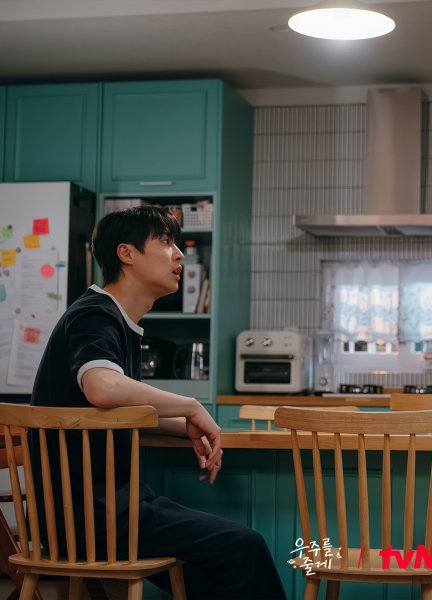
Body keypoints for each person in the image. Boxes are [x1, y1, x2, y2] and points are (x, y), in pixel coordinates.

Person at [29, 205, 286, 599]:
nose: (179, 254)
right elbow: (102, 388)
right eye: (166, 242)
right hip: (90, 515)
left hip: (103, 508)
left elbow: (110, 411)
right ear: (126, 253)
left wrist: (183, 427)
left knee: (217, 571)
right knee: (244, 548)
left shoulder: (116, 320)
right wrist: (191, 407)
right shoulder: (95, 315)